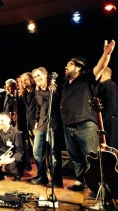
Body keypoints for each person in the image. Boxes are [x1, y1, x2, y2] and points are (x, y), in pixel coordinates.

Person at [61, 40, 115, 191]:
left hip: (85, 126)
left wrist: (106, 53)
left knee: (92, 158)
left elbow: (100, 67)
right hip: (68, 127)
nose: (66, 66)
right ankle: (81, 181)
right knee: (76, 158)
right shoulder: (66, 85)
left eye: (70, 64)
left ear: (78, 67)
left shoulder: (86, 79)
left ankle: (98, 188)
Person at [30, 67, 64, 188]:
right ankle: (42, 176)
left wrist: (56, 92)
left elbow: (62, 106)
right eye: (34, 77)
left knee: (54, 154)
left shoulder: (56, 88)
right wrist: (36, 122)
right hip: (41, 125)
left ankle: (56, 180)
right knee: (37, 152)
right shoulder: (37, 91)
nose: (37, 78)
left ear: (46, 75)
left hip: (54, 125)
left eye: (39, 75)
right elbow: (39, 108)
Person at [96, 67, 118, 149]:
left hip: (109, 122)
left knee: (110, 148)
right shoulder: (105, 86)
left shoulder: (109, 86)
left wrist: (100, 122)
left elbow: (111, 106)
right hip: (107, 120)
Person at [20, 72, 37, 170]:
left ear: (31, 79)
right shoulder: (24, 94)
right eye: (22, 81)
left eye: (25, 79)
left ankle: (46, 174)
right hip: (28, 126)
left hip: (36, 125)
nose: (24, 82)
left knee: (39, 151)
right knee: (35, 151)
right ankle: (41, 174)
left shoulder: (37, 91)